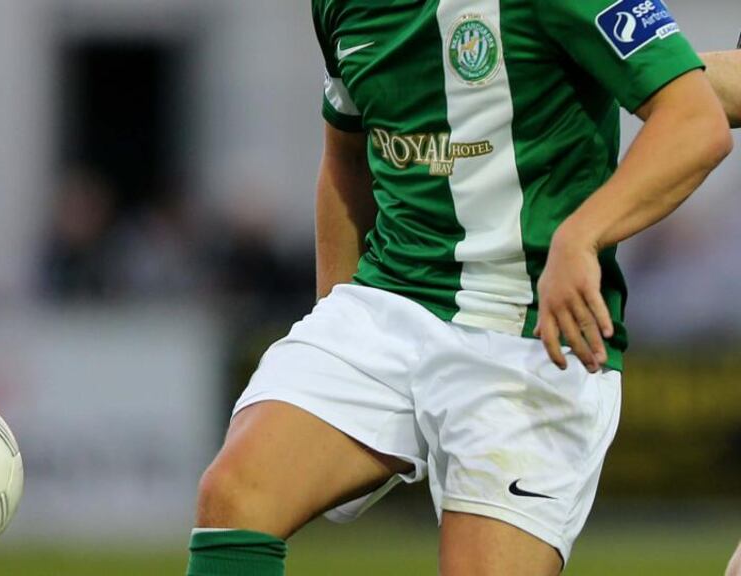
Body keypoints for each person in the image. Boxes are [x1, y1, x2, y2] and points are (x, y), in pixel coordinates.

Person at [186, 2, 737, 575]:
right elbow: (346, 155)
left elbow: (696, 122)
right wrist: (337, 343)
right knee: (233, 495)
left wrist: (582, 236)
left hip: (528, 332)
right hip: (388, 302)